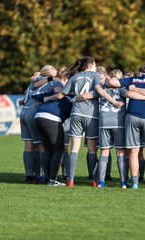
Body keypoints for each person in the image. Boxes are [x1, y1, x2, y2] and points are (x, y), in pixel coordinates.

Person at [44, 56, 122, 187]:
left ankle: (70, 180)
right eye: (95, 63)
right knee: (92, 149)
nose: (96, 66)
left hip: (76, 113)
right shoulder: (95, 75)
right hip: (91, 115)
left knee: (74, 148)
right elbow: (98, 90)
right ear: (91, 64)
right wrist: (114, 101)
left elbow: (61, 95)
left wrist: (47, 99)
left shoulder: (75, 77)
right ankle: (94, 180)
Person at [108, 61, 145, 189]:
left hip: (132, 115)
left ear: (139, 72)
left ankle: (134, 182)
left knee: (133, 151)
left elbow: (112, 83)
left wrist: (134, 89)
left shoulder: (133, 79)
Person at [32, 67, 72, 186]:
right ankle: (52, 180)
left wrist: (29, 97)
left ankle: (48, 178)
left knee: (47, 150)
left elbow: (38, 94)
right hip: (52, 118)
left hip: (38, 116)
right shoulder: (70, 94)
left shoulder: (57, 91)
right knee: (58, 150)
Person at [20, 65, 58, 183]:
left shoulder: (34, 80)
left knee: (28, 146)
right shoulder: (50, 83)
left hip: (24, 112)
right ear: (50, 75)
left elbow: (32, 83)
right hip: (33, 113)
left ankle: (29, 176)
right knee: (41, 145)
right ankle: (42, 175)